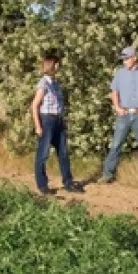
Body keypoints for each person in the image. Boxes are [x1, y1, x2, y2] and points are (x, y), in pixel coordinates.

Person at [101, 45, 138, 185]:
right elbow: (114, 91)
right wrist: (117, 107)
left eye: (127, 58)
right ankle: (107, 175)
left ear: (135, 58)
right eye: (123, 59)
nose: (124, 61)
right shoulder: (120, 73)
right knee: (116, 145)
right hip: (124, 114)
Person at [30, 51, 83, 195]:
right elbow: (34, 105)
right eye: (57, 64)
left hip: (58, 120)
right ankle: (42, 185)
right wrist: (38, 126)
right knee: (43, 154)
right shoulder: (43, 84)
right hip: (47, 120)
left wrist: (63, 120)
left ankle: (68, 182)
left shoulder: (55, 83)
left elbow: (58, 104)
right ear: (52, 65)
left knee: (63, 153)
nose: (59, 66)